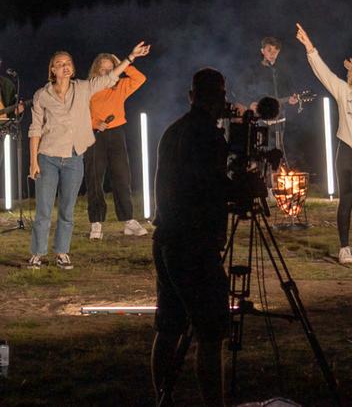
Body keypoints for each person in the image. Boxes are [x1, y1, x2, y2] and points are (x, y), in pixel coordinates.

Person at [27, 41, 150, 269]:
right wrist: (33, 161)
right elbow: (35, 129)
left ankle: (62, 252)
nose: (65, 67)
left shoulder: (83, 88)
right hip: (48, 156)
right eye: (59, 64)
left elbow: (110, 78)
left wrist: (130, 57)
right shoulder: (41, 95)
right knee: (44, 209)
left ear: (72, 68)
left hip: (74, 157)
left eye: (68, 63)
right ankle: (38, 253)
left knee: (67, 209)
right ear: (52, 69)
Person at [151, 66, 231, 407]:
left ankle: (162, 398)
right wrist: (241, 187)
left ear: (191, 97)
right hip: (195, 245)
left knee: (169, 327)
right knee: (211, 333)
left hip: (167, 237)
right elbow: (209, 187)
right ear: (221, 99)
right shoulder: (210, 137)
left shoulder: (173, 131)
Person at [295, 23, 352, 264]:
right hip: (347, 147)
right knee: (346, 196)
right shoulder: (343, 90)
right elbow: (323, 73)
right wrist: (310, 48)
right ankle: (345, 247)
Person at [85, 50, 149, 239]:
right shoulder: (89, 88)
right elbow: (79, 113)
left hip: (117, 133)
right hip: (94, 135)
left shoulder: (120, 85)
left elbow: (140, 78)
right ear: (96, 70)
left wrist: (124, 63)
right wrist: (94, 123)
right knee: (94, 179)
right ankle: (96, 223)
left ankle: (128, 220)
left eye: (110, 68)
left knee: (122, 177)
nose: (106, 72)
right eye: (102, 68)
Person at [245, 35, 300, 160]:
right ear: (262, 51)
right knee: (259, 149)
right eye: (269, 50)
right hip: (259, 118)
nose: (272, 53)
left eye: (275, 51)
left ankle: (277, 173)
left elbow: (290, 89)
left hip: (279, 118)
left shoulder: (283, 70)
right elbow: (240, 88)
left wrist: (293, 98)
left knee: (278, 150)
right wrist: (250, 103)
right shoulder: (253, 69)